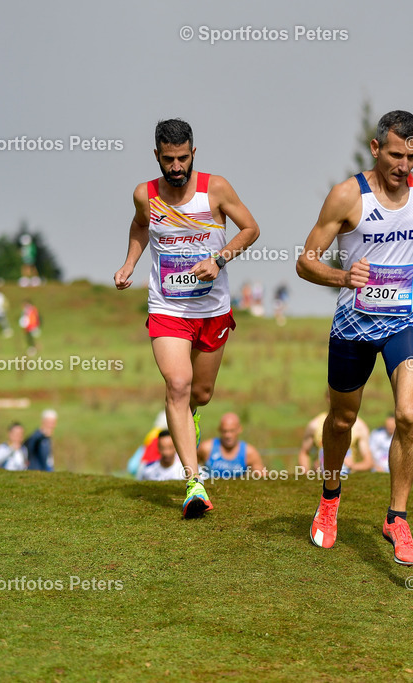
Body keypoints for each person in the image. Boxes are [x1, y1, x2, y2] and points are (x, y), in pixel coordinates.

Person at [295, 110, 413, 565]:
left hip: (404, 320)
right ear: (375, 148)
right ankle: (329, 499)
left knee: (410, 413)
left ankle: (397, 518)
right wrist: (343, 277)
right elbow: (305, 261)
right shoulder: (348, 196)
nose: (404, 166)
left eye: (412, 156)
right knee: (342, 420)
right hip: (352, 324)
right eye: (396, 155)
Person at [113, 118, 260, 518]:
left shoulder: (215, 188)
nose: (176, 167)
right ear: (156, 156)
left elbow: (250, 229)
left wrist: (220, 257)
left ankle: (190, 418)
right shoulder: (145, 195)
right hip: (168, 308)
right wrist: (129, 263)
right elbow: (141, 227)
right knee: (178, 384)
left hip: (212, 309)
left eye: (182, 158)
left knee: (201, 393)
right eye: (168, 159)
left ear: (193, 153)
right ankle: (194, 481)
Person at [297, 408, 374, 475]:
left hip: (348, 478)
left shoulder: (359, 426)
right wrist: (307, 473)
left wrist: (353, 466)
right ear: (327, 397)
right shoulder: (314, 425)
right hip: (321, 478)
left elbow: (369, 462)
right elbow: (304, 453)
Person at [197, 412, 265, 479]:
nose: (228, 435)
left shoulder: (249, 452)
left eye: (232, 431)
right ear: (219, 429)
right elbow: (190, 468)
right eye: (225, 431)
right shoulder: (206, 448)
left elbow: (263, 477)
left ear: (239, 429)